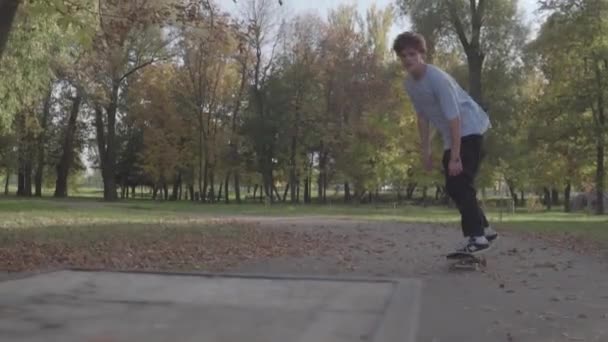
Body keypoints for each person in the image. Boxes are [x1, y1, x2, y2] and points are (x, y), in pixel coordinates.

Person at [392, 31, 498, 254]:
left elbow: (455, 118)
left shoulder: (437, 79)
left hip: (470, 128)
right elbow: (422, 116)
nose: (407, 59)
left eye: (412, 54)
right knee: (454, 186)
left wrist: (456, 156)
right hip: (454, 135)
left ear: (422, 54)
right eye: (403, 56)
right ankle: (485, 230)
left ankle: (477, 238)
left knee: (459, 182)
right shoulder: (410, 84)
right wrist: (426, 150)